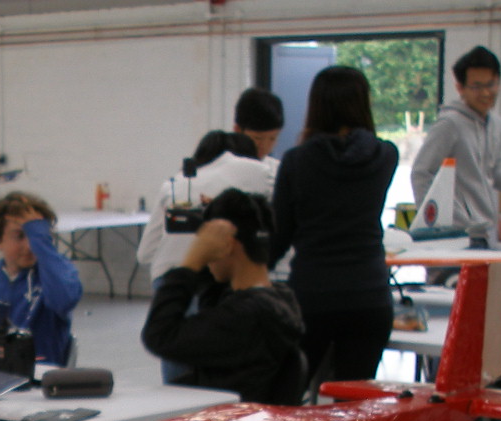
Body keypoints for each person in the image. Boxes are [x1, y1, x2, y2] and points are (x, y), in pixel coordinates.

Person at [269, 65, 398, 385]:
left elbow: (279, 235)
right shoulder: (386, 156)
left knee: (291, 398)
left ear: (316, 106)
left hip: (313, 295)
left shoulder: (297, 160)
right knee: (353, 403)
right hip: (370, 295)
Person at [140, 188, 304, 405]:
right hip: (250, 415)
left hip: (224, 419)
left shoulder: (245, 316)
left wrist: (192, 263)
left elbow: (160, 335)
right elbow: (212, 304)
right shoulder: (281, 300)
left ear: (228, 244)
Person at [411, 46, 501, 247]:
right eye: (477, 86)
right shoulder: (449, 124)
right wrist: (438, 223)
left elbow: (493, 177)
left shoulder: (496, 125)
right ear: (460, 88)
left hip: (487, 232)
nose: (486, 93)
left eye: (491, 84)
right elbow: (421, 173)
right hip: (455, 235)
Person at [137, 131, 274, 282]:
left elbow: (144, 254)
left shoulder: (172, 184)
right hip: (215, 279)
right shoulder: (257, 174)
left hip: (167, 275)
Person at [0, 191, 82, 367]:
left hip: (43, 376)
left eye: (36, 236)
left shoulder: (55, 275)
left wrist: (42, 243)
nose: (29, 246)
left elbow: (65, 300)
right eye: (20, 236)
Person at [234, 86, 286, 167]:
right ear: (238, 130)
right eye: (258, 138)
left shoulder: (277, 169)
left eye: (272, 138)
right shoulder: (220, 167)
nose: (265, 146)